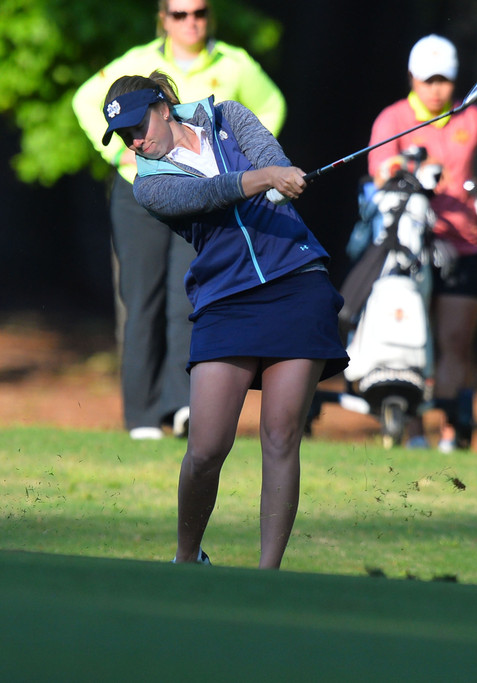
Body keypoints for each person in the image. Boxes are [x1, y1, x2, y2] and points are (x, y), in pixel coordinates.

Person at [100, 71, 348, 568]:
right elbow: (212, 194)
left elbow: (272, 163)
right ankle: (187, 557)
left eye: (138, 125)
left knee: (281, 435)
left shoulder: (228, 117)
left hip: (296, 281)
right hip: (226, 298)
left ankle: (267, 575)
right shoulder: (147, 184)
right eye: (124, 136)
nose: (135, 140)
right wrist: (265, 180)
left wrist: (281, 178)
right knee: (207, 447)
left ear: (163, 108)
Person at [72, 0, 286, 440]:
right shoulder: (138, 62)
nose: (191, 22)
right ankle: (143, 415)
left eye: (200, 12)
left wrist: (243, 161)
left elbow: (271, 106)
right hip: (143, 192)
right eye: (179, 14)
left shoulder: (235, 62)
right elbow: (84, 100)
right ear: (163, 19)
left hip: (203, 194)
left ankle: (183, 403)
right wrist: (119, 157)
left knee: (187, 296)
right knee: (141, 298)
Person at [367, 34, 477, 452]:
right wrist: (408, 165)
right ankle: (415, 431)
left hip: (462, 242)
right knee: (413, 341)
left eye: (443, 80)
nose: (435, 89)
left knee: (455, 340)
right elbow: (378, 167)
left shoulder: (469, 118)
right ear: (413, 78)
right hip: (409, 245)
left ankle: (451, 431)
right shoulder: (395, 117)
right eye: (427, 79)